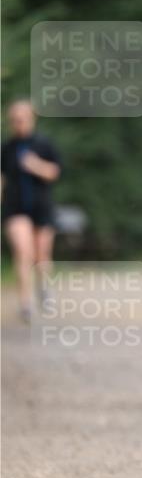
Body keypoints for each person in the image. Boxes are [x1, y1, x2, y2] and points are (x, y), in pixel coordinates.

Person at [1, 99, 61, 322]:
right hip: (14, 208)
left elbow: (55, 172)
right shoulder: (6, 148)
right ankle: (25, 303)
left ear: (31, 119)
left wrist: (35, 165)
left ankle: (44, 289)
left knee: (41, 255)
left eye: (22, 119)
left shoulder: (44, 144)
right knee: (22, 252)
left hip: (41, 206)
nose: (18, 124)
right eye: (14, 120)